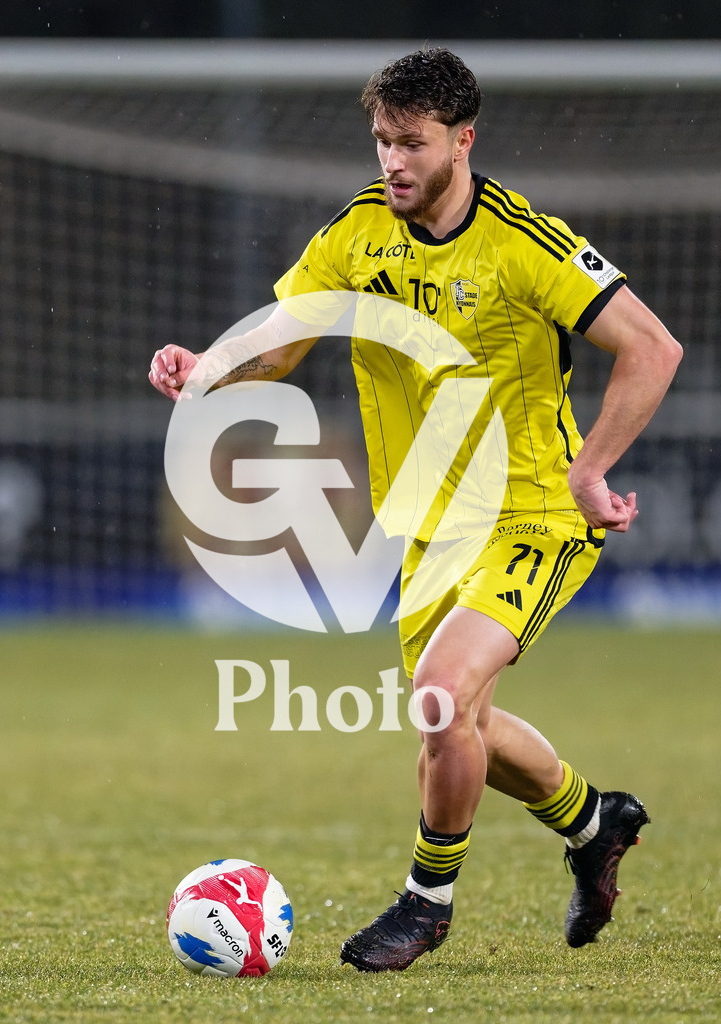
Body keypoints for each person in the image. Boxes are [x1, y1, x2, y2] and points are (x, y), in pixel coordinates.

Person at [149, 47, 682, 972]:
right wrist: (209, 369)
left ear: (462, 139)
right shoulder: (359, 234)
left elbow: (653, 349)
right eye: (382, 141)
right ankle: (596, 821)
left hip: (532, 515)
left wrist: (592, 471)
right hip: (430, 530)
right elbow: (282, 344)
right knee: (456, 717)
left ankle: (424, 905)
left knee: (441, 698)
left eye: (412, 143)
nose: (392, 162)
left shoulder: (526, 243)